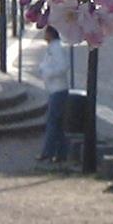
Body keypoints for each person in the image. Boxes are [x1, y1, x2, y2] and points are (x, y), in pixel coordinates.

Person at [36, 27, 75, 165]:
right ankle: (61, 153)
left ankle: (48, 151)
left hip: (58, 89)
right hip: (55, 89)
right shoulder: (52, 48)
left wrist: (47, 73)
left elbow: (63, 66)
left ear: (50, 34)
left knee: (52, 121)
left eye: (45, 32)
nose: (43, 35)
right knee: (57, 123)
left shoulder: (56, 48)